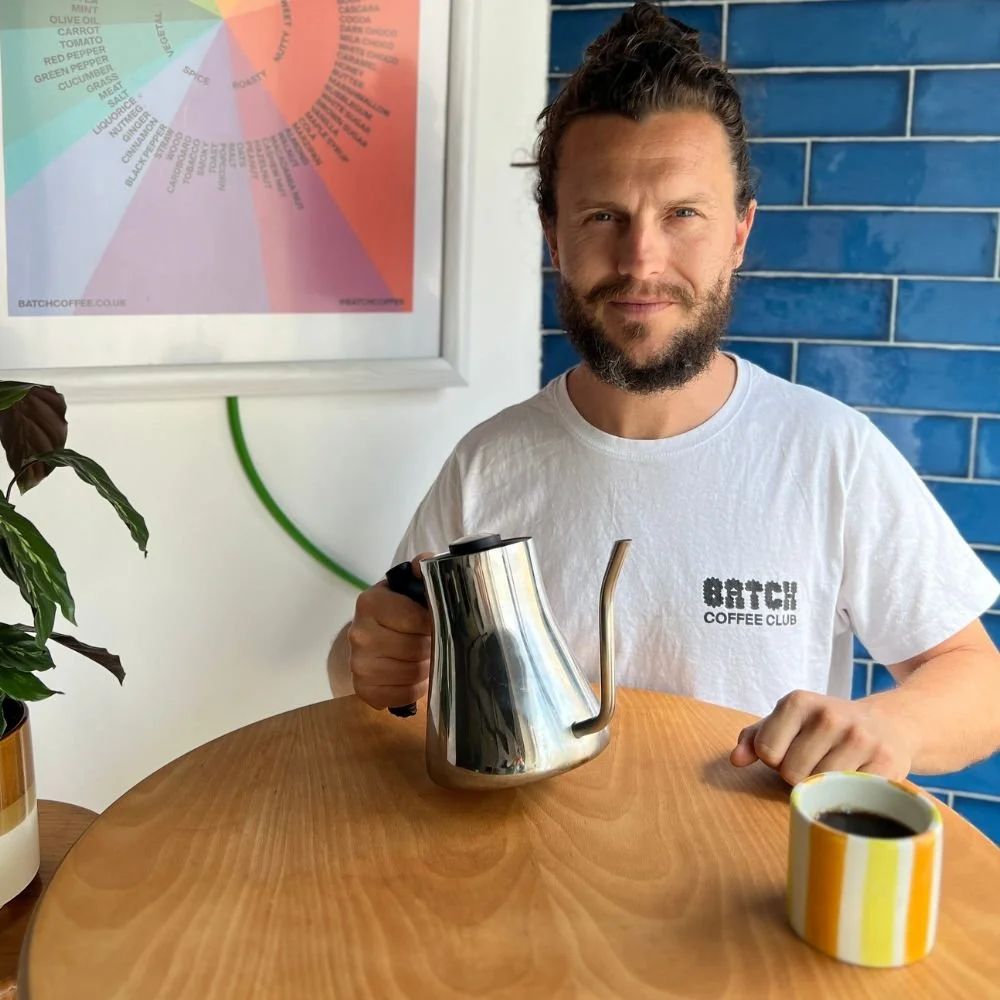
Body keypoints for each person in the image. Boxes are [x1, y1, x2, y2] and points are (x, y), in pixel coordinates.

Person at [327, 2, 1000, 786]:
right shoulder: (489, 461)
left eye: (683, 213)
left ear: (739, 233)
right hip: (533, 857)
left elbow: (979, 682)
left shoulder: (828, 453)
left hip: (743, 865)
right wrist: (369, 658)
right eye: (602, 215)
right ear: (554, 237)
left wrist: (890, 726)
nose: (641, 260)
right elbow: (368, 661)